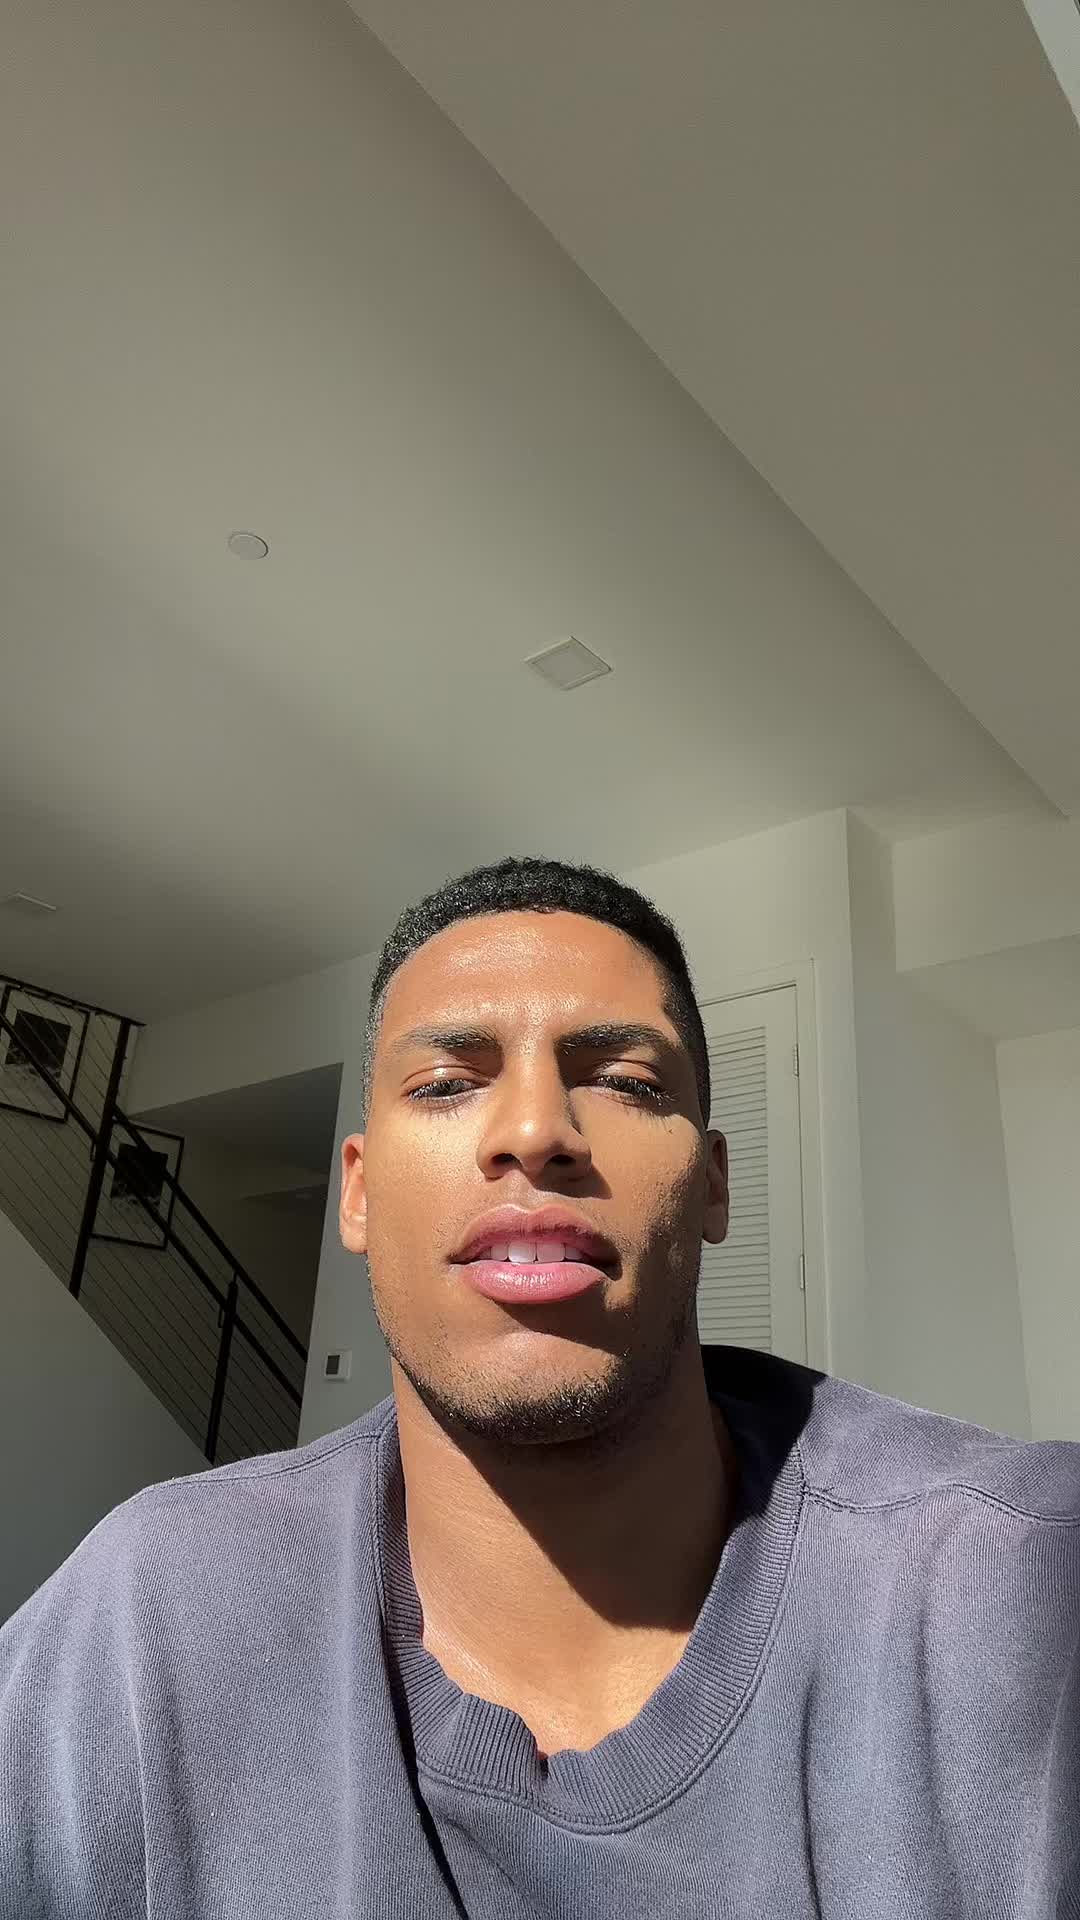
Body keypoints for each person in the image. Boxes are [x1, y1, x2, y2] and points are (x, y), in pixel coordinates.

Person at [1, 855, 1077, 1918]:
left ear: (712, 1186)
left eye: (625, 1080)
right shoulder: (149, 1613)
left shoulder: (1023, 1583)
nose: (534, 1132)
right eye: (446, 1083)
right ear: (358, 1196)